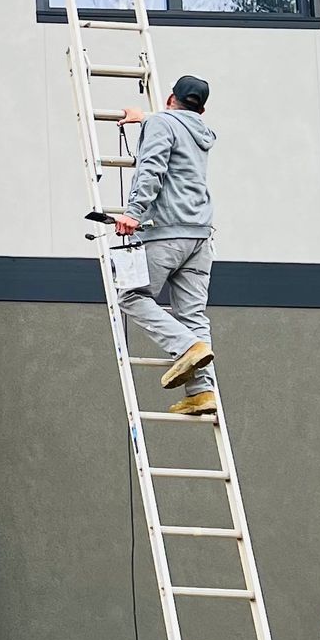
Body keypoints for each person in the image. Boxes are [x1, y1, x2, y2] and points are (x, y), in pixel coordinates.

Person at [113, 75, 218, 419]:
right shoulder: (198, 131)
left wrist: (133, 212)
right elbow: (173, 125)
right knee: (191, 315)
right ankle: (202, 392)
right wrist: (145, 117)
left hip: (166, 231)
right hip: (200, 236)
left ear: (171, 97)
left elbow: (151, 168)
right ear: (201, 108)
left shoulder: (162, 122)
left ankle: (186, 347)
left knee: (131, 296)